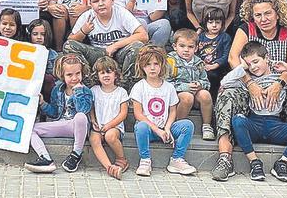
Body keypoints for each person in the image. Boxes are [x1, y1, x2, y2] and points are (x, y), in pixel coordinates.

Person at [214, 41, 287, 184]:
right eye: (249, 64)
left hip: (276, 125)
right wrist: (242, 68)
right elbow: (225, 83)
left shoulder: (278, 78)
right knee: (238, 121)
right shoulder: (248, 80)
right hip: (254, 123)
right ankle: (254, 162)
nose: (253, 67)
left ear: (267, 58)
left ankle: (282, 163)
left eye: (256, 61)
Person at [64, 0, 148, 87]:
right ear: (90, 4)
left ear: (112, 0)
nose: (100, 4)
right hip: (98, 55)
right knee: (69, 46)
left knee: (137, 46)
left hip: (120, 53)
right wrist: (83, 31)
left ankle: (126, 86)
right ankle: (89, 83)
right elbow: (70, 40)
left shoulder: (121, 12)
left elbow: (143, 36)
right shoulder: (87, 16)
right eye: (95, 1)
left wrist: (115, 45)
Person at [130, 45, 197, 176]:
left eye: (156, 64)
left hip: (165, 129)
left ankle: (176, 159)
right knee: (141, 126)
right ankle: (145, 160)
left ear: (162, 65)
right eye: (148, 64)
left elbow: (173, 111)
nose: (152, 67)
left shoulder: (169, 87)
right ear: (142, 66)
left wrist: (167, 128)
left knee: (187, 125)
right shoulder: (139, 87)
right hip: (150, 129)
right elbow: (138, 114)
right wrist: (157, 130)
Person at [23, 52, 93, 174]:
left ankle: (76, 154)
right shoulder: (58, 90)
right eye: (69, 75)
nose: (74, 78)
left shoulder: (85, 90)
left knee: (81, 116)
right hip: (62, 124)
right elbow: (55, 113)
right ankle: (45, 158)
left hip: (78, 127)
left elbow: (83, 109)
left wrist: (78, 92)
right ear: (62, 75)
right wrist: (43, 103)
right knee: (29, 129)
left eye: (78, 73)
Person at [167, 28, 214, 140]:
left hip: (195, 94)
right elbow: (166, 84)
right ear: (175, 46)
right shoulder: (170, 61)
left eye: (190, 47)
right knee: (187, 97)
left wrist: (200, 85)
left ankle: (207, 126)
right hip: (178, 96)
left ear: (196, 48)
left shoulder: (198, 62)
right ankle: (177, 125)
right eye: (182, 46)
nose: (186, 50)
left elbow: (206, 82)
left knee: (205, 95)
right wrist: (185, 87)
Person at [87, 56, 129, 180]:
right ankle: (109, 167)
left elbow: (123, 113)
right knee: (94, 139)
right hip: (99, 126)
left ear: (115, 74)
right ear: (97, 76)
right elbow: (92, 108)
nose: (106, 75)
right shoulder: (94, 90)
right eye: (102, 72)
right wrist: (93, 120)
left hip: (114, 127)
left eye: (109, 72)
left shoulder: (121, 92)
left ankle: (122, 159)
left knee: (110, 136)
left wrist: (110, 125)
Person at [197, 8, 231, 99]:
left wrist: (214, 65)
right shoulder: (200, 37)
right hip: (202, 66)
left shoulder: (225, 37)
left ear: (222, 24)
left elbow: (226, 55)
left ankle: (213, 99)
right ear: (205, 23)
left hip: (218, 68)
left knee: (213, 76)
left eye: (218, 22)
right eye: (211, 22)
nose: (214, 25)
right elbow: (196, 53)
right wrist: (201, 64)